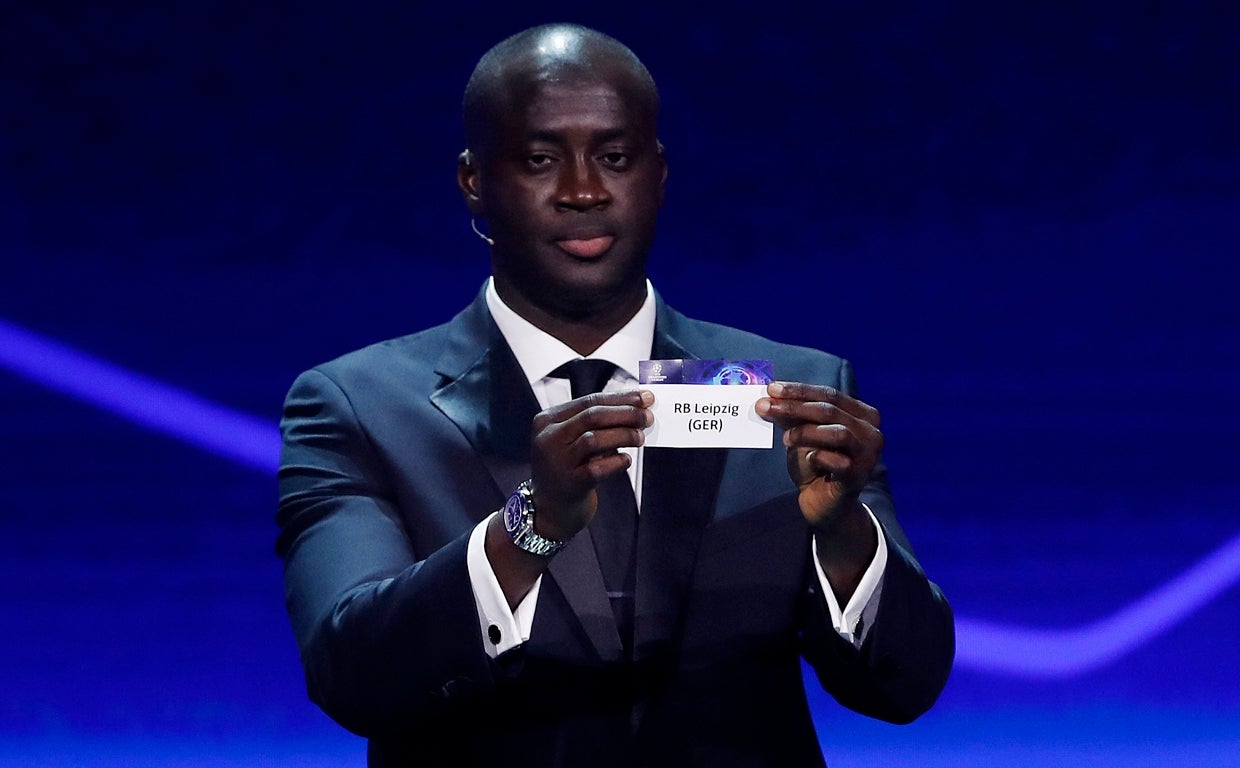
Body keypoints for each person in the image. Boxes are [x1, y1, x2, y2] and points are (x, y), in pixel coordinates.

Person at [276, 23, 953, 767]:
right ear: (473, 180)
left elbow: (906, 686)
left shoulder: (790, 396)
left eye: (615, 158)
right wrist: (530, 527)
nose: (583, 191)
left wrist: (845, 534)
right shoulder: (359, 406)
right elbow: (351, 674)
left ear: (657, 174)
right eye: (540, 160)